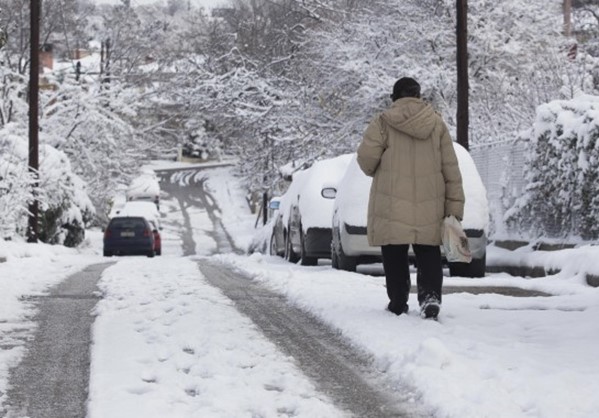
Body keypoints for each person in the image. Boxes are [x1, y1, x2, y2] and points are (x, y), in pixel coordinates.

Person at [356, 77, 465, 319]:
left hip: (392, 202)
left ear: (394, 97)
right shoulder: (437, 124)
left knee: (394, 251)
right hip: (430, 202)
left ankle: (397, 301)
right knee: (428, 251)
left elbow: (366, 162)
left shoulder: (382, 123)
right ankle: (430, 298)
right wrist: (455, 207)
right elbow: (451, 169)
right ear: (418, 96)